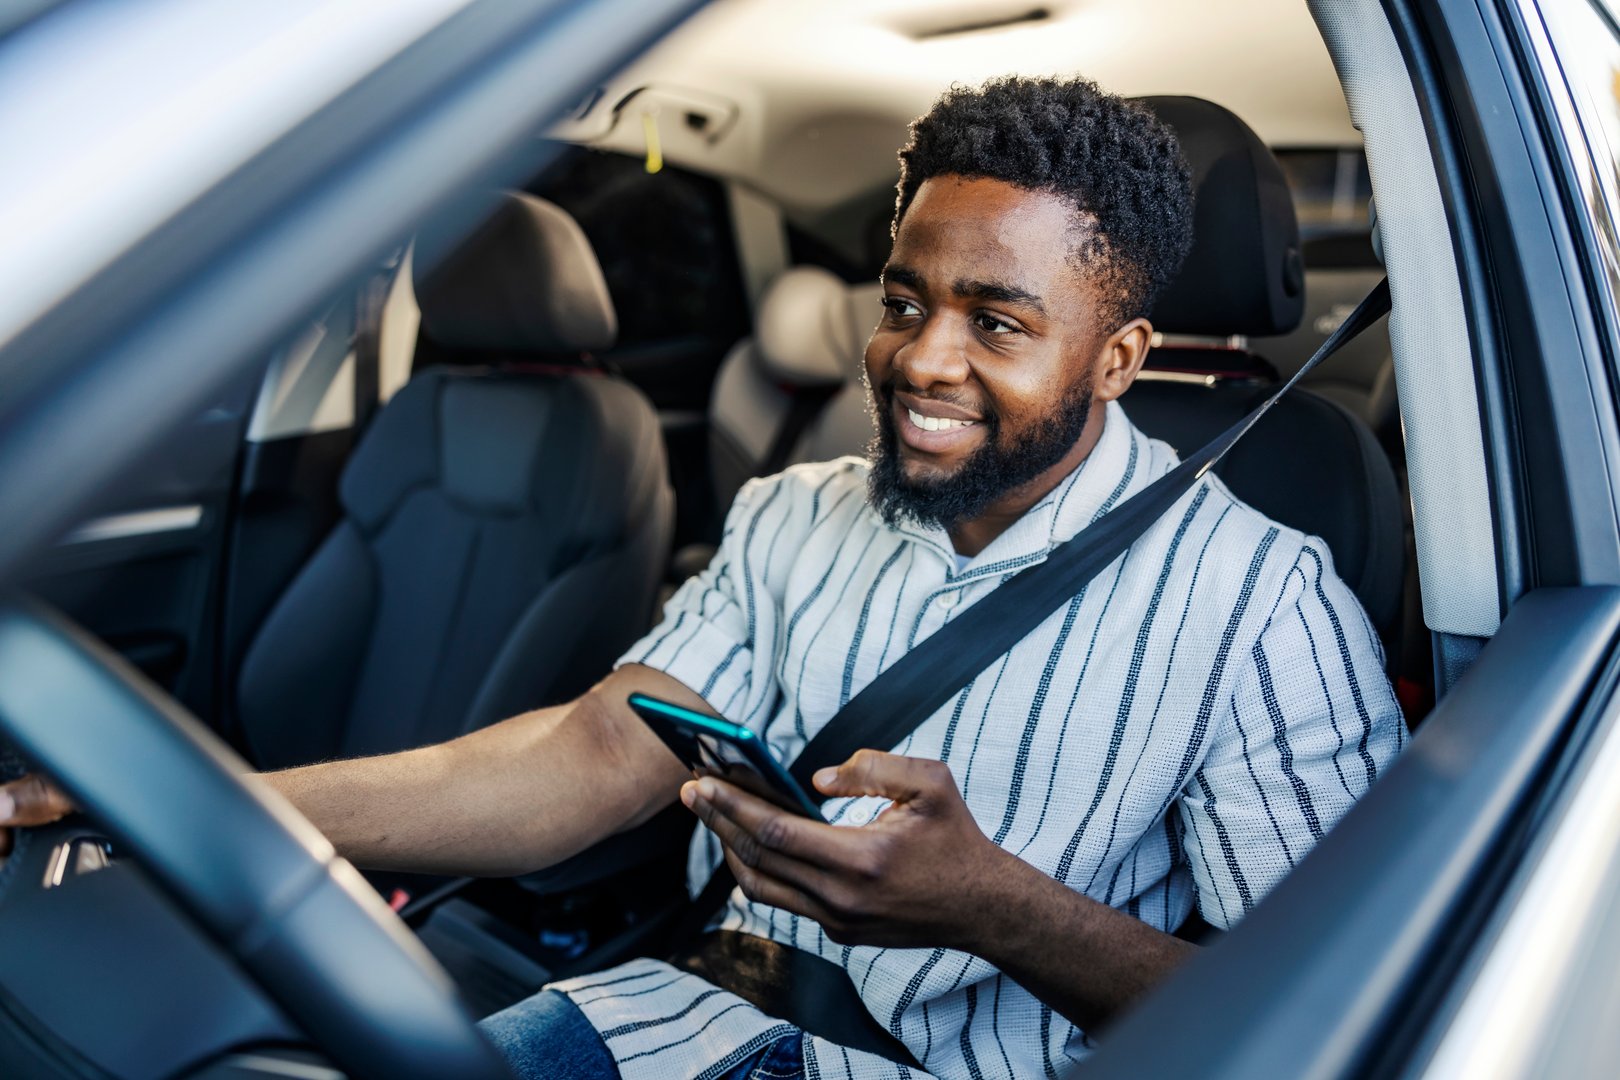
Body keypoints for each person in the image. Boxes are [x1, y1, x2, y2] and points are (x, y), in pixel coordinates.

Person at [0, 76, 1405, 1079]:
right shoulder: (798, 512)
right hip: (675, 1024)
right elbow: (583, 757)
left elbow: (1338, 1020)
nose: (922, 358)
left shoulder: (1263, 606)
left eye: (998, 321)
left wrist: (989, 906)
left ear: (1118, 360)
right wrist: (191, 808)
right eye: (907, 300)